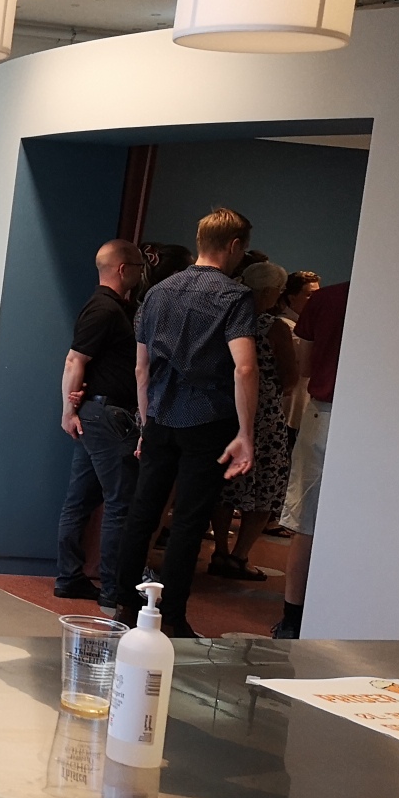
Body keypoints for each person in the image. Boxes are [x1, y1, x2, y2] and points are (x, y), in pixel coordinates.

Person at [111, 207, 260, 636]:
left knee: (143, 512)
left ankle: (123, 604)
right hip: (208, 421)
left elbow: (141, 369)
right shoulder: (235, 297)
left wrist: (145, 422)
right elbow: (244, 368)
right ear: (234, 245)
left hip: (159, 416)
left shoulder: (157, 294)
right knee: (189, 521)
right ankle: (172, 617)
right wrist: (245, 433)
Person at [53, 240, 148, 607]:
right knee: (120, 503)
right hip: (106, 418)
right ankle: (113, 589)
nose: (142, 274)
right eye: (139, 267)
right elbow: (74, 360)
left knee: (81, 500)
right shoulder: (105, 309)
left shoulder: (112, 308)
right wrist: (68, 410)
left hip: (97, 415)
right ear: (124, 269)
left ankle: (70, 577)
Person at [208, 260, 297, 580]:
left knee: (225, 485)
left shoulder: (224, 317)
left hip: (225, 409)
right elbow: (290, 378)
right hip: (264, 415)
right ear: (270, 291)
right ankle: (240, 555)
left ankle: (220, 549)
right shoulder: (275, 328)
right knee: (265, 487)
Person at [274, 279, 348, 639]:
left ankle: (293, 619)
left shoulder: (326, 299)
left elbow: (304, 367)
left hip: (325, 413)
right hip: (379, 419)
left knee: (306, 521)